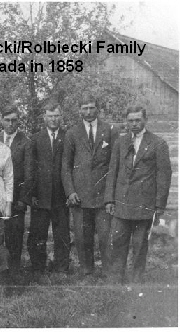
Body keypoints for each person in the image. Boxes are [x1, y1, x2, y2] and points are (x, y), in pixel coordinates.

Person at [104, 106, 171, 284]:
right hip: (121, 202)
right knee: (118, 241)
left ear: (145, 120)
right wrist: (109, 199)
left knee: (140, 244)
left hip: (144, 204)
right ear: (127, 121)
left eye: (137, 120)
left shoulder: (158, 143)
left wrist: (159, 206)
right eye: (130, 120)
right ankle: (116, 277)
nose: (134, 124)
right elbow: (113, 171)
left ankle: (136, 279)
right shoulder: (121, 142)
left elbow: (164, 176)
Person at [61, 94, 119, 281]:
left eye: (91, 107)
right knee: (82, 236)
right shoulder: (72, 133)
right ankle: (87, 271)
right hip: (80, 195)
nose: (88, 111)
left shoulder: (110, 130)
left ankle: (109, 271)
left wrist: (110, 196)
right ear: (79, 110)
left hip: (103, 196)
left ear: (97, 109)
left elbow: (114, 165)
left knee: (105, 236)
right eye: (84, 108)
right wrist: (70, 191)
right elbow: (66, 166)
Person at [29, 102, 70, 282]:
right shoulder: (36, 139)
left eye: (56, 115)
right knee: (38, 233)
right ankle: (38, 266)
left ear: (61, 117)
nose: (53, 119)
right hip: (41, 195)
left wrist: (70, 192)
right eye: (50, 116)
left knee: (62, 233)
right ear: (44, 118)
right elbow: (30, 168)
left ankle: (61, 266)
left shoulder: (68, 137)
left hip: (61, 195)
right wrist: (32, 194)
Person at [0, 106, 33, 280]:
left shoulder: (25, 142)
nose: (10, 124)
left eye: (14, 120)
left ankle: (14, 271)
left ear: (18, 121)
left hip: (17, 198)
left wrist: (23, 199)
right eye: (7, 120)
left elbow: (29, 173)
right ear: (1, 120)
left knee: (15, 235)